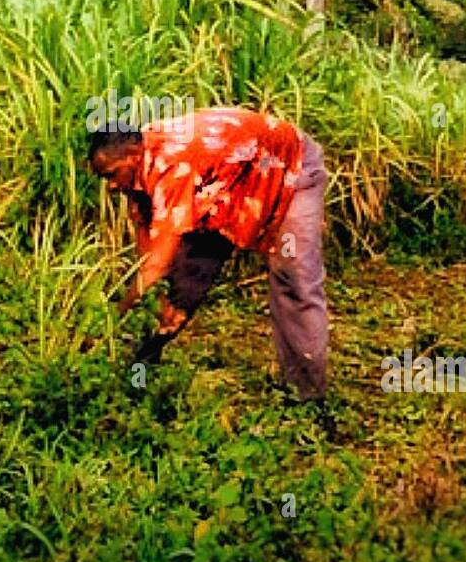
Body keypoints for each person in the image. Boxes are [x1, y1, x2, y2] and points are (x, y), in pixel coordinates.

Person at [88, 106, 329, 400]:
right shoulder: (139, 168)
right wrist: (151, 301)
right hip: (229, 185)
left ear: (133, 153)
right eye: (105, 179)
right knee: (178, 291)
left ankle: (307, 395)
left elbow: (155, 266)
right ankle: (136, 374)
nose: (111, 186)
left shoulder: (173, 166)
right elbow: (148, 254)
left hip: (287, 166)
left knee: (294, 281)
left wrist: (112, 317)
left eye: (112, 174)